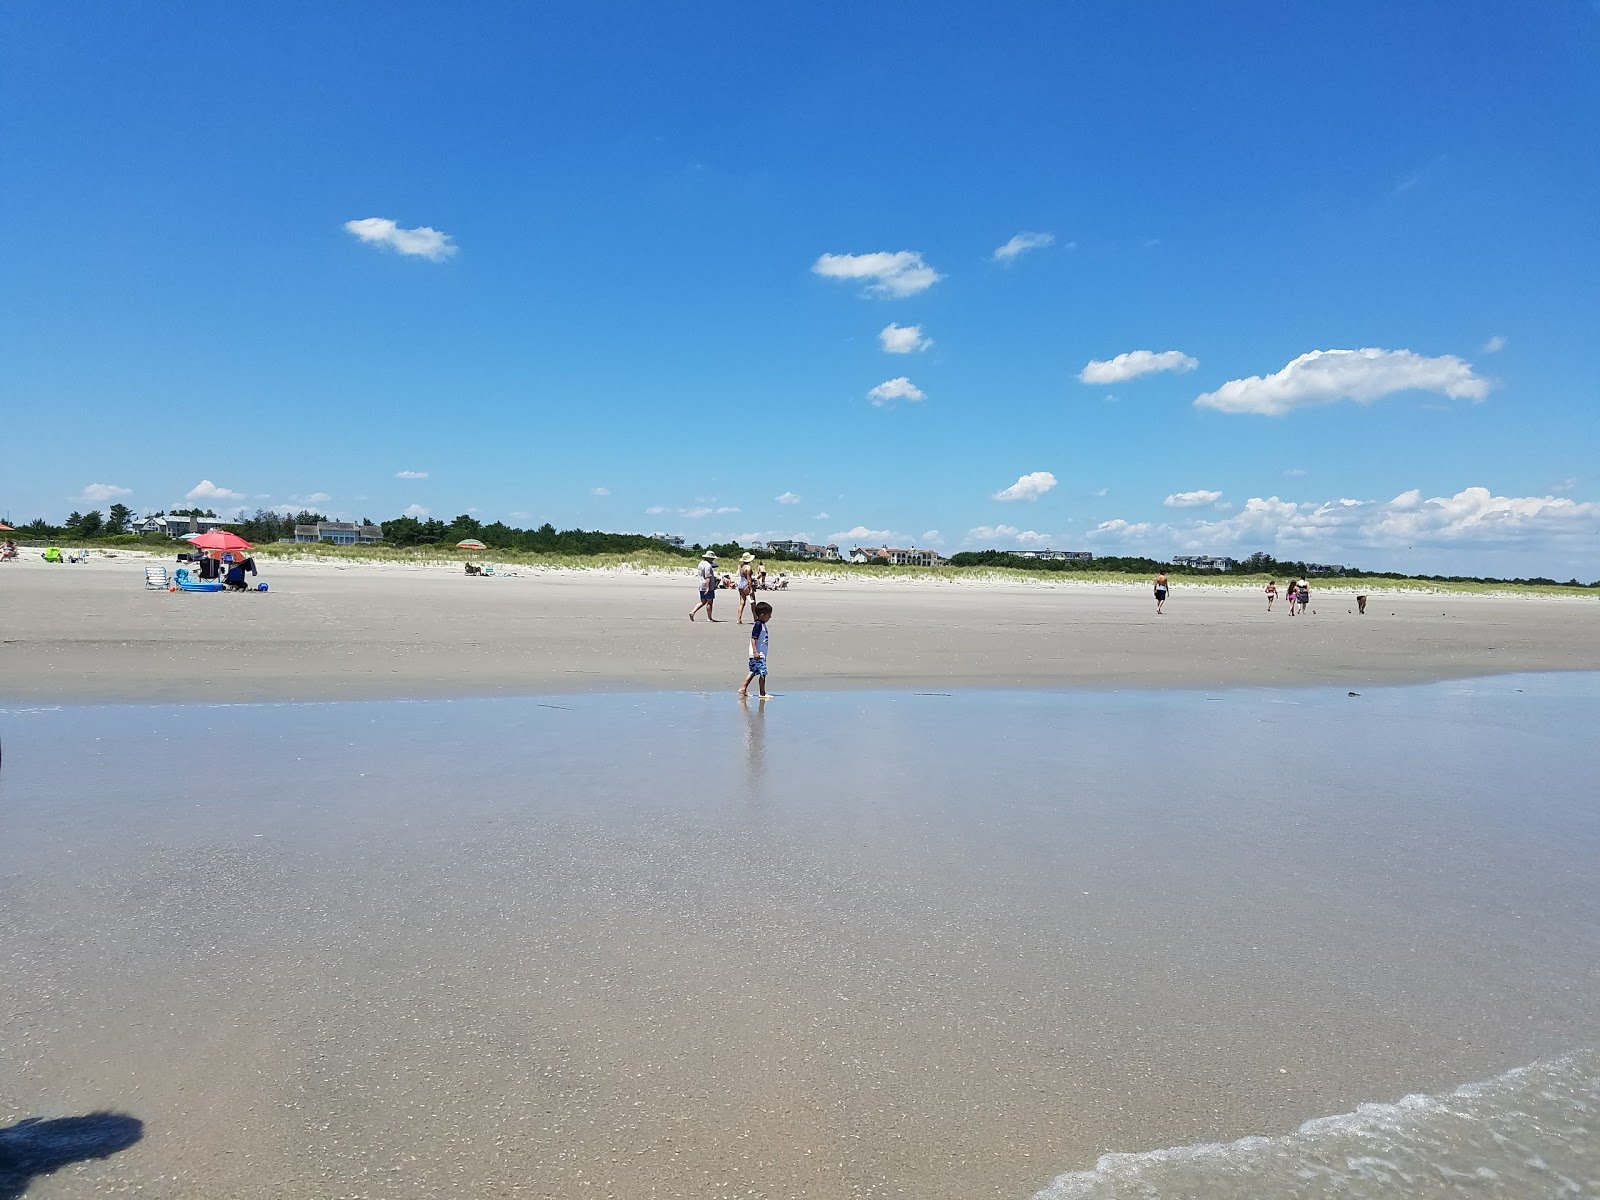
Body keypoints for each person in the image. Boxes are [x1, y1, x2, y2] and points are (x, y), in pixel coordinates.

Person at [739, 600, 773, 698]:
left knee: (753, 672)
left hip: (760, 653)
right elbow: (753, 638)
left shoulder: (762, 624)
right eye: (769, 615)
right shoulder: (758, 625)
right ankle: (762, 693)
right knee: (763, 673)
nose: (770, 617)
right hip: (758, 654)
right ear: (762, 615)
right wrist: (755, 651)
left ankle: (743, 688)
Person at [689, 551, 719, 621]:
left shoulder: (700, 563)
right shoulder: (708, 566)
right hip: (707, 586)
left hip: (701, 585)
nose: (713, 560)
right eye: (712, 558)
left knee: (703, 601)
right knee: (710, 602)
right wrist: (708, 588)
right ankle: (709, 617)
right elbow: (707, 577)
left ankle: (693, 612)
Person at [736, 552, 756, 623]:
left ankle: (739, 619)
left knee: (742, 602)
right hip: (746, 585)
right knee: (753, 602)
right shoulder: (748, 567)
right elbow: (749, 579)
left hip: (741, 585)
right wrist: (750, 589)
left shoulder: (741, 566)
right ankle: (755, 619)